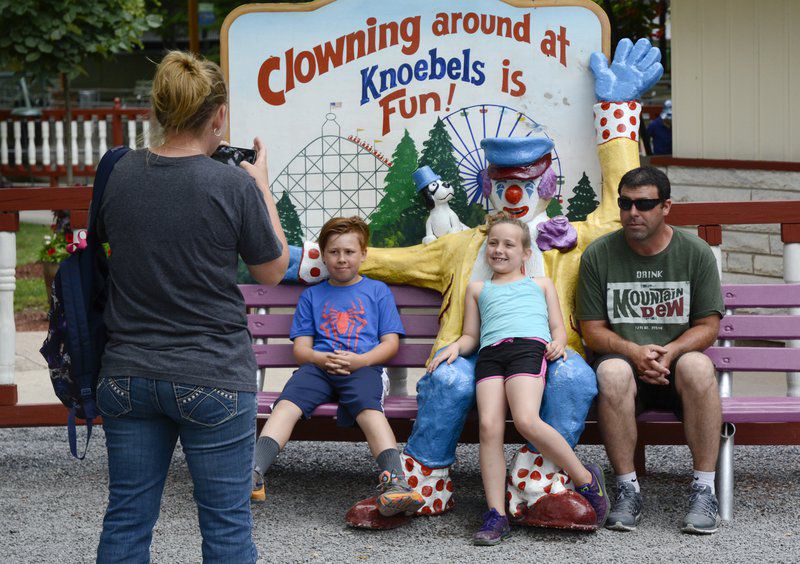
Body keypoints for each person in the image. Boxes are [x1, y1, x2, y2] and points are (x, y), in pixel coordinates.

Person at [279, 38, 664, 525]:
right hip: (476, 353)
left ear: (546, 185)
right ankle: (419, 484)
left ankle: (541, 484)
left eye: (525, 185)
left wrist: (616, 114)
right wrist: (294, 260)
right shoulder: (461, 245)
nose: (514, 196)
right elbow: (382, 260)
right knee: (447, 378)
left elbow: (621, 206)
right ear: (487, 185)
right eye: (504, 184)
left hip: (542, 354)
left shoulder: (570, 240)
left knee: (573, 377)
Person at [94, 51, 289, 563]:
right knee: (226, 528)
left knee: (127, 517)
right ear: (219, 116)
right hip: (213, 373)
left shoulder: (119, 173)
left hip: (127, 374)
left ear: (159, 109)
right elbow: (272, 270)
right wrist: (261, 184)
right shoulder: (231, 184)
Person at [429, 213, 609, 544]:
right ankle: (496, 514)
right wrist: (455, 347)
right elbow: (472, 334)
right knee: (489, 428)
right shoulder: (477, 288)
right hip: (490, 355)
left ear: (525, 253)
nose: (499, 250)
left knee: (526, 419)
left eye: (509, 244)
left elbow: (557, 326)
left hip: (528, 349)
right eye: (493, 244)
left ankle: (585, 478)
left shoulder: (539, 284)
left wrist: (557, 342)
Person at [576, 166, 724, 534]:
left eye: (644, 204)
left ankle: (705, 490)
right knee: (610, 371)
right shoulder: (599, 255)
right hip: (626, 370)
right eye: (625, 203)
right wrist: (632, 351)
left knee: (699, 368)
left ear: (666, 206)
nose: (632, 213)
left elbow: (709, 326)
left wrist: (671, 352)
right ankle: (627, 489)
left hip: (677, 368)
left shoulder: (695, 252)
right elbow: (592, 330)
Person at [251, 216, 424, 517]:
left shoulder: (377, 291)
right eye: (334, 252)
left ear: (363, 254)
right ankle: (252, 474)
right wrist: (320, 358)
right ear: (323, 254)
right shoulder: (313, 296)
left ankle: (395, 481)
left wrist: (362, 360)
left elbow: (390, 344)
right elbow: (302, 350)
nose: (341, 259)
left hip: (364, 367)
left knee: (368, 408)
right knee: (286, 405)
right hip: (319, 368)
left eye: (349, 252)